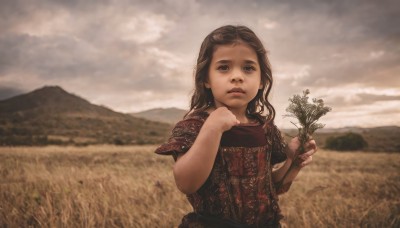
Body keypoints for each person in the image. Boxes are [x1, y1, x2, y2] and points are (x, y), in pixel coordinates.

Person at [155, 25, 317, 228]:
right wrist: (212, 128)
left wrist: (292, 162)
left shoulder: (264, 127)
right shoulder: (195, 125)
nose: (237, 76)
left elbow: (269, 188)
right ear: (206, 79)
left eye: (248, 68)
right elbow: (186, 184)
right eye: (224, 67)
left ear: (260, 81)